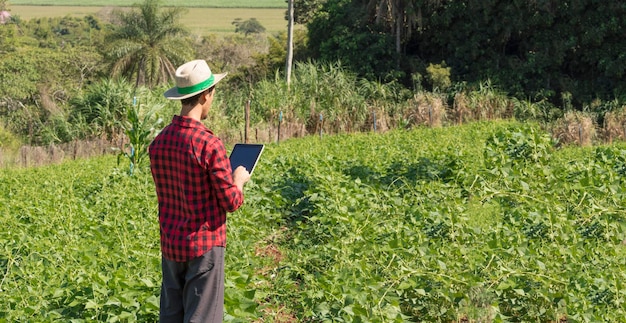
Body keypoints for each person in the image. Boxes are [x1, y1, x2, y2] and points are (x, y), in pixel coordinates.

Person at [149, 59, 251, 323]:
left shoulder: (159, 142)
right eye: (213, 93)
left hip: (171, 243)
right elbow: (231, 201)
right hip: (203, 246)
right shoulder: (209, 144)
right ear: (206, 95)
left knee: (171, 316)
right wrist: (238, 179)